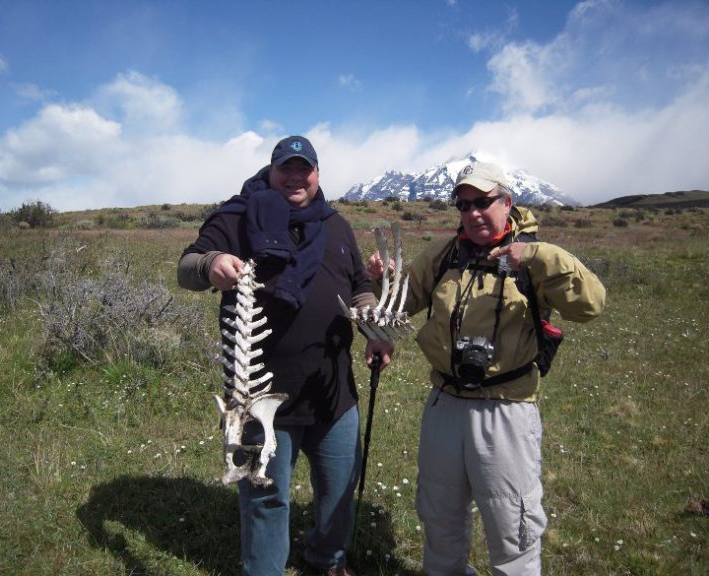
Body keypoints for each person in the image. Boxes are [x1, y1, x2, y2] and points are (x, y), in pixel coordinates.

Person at [366, 161, 606, 576]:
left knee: (512, 528)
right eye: (463, 205)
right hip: (445, 404)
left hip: (505, 409)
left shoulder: (534, 256)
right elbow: (401, 304)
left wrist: (533, 255)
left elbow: (591, 304)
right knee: (439, 518)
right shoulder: (445, 254)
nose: (473, 212)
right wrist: (383, 283)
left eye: (483, 202)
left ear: (507, 202)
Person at [178, 135, 392, 576]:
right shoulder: (239, 216)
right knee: (265, 495)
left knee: (338, 487)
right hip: (259, 390)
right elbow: (187, 269)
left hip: (333, 389)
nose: (295, 177)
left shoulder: (335, 224)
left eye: (304, 168)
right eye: (286, 168)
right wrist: (211, 262)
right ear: (271, 171)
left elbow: (359, 285)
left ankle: (328, 561)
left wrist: (371, 323)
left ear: (317, 174)